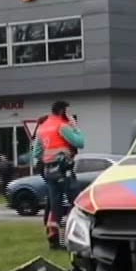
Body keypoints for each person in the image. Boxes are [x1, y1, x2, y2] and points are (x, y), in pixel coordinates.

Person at [29, 101, 86, 250]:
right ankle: (74, 237)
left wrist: (49, 157)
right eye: (67, 111)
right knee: (76, 202)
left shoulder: (42, 127)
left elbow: (36, 153)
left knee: (55, 206)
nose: (69, 115)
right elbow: (80, 142)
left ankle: (53, 239)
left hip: (49, 171)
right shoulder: (62, 126)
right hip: (63, 169)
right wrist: (75, 127)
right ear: (62, 111)